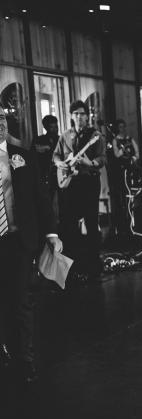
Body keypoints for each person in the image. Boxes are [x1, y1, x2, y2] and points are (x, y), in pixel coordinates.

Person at [0, 107, 62, 383]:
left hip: (17, 241)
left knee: (20, 300)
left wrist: (51, 233)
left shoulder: (22, 156)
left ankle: (24, 358)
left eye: (1, 119)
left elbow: (41, 197)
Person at [53, 100, 106, 280]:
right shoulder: (65, 135)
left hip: (89, 182)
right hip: (71, 184)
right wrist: (60, 163)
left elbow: (102, 158)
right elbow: (56, 154)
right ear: (71, 116)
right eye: (76, 114)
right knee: (69, 224)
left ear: (87, 116)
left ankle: (93, 264)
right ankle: (75, 264)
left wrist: (89, 162)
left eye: (82, 114)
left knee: (91, 222)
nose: (79, 117)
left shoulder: (95, 135)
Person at [109, 119, 140, 238]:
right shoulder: (115, 140)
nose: (122, 128)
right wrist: (123, 148)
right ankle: (123, 222)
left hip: (131, 169)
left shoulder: (130, 139)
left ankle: (134, 218)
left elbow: (137, 152)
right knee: (122, 195)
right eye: (120, 127)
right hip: (120, 171)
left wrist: (134, 158)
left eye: (124, 126)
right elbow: (117, 154)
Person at [31, 115, 60, 201]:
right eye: (52, 127)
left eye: (56, 126)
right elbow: (32, 156)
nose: (55, 129)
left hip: (60, 175)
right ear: (46, 127)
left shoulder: (61, 139)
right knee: (47, 202)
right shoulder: (39, 140)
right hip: (45, 177)